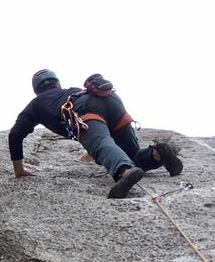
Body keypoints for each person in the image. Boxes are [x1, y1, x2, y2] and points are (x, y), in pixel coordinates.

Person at [9, 69, 183, 198]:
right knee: (133, 156)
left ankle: (125, 171)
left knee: (101, 145)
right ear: (57, 83)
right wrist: (90, 148)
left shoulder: (36, 104)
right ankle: (158, 154)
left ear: (37, 89)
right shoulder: (71, 90)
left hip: (87, 110)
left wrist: (19, 170)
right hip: (111, 102)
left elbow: (15, 134)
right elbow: (98, 127)